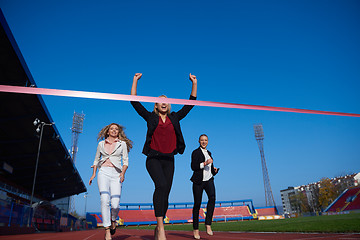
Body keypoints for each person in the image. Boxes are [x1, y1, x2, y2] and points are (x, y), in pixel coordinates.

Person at [130, 73, 197, 240]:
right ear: (156, 105)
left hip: (169, 159)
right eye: (160, 100)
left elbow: (191, 104)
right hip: (153, 158)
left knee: (165, 192)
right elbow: (134, 102)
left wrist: (194, 83)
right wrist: (135, 81)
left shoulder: (175, 117)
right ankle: (161, 228)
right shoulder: (151, 117)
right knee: (160, 185)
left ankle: (158, 226)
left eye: (166, 100)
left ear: (169, 105)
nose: (164, 102)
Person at [89, 123, 132, 240]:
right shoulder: (101, 144)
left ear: (118, 132)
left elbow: (125, 161)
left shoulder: (122, 144)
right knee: (104, 199)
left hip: (116, 174)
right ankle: (107, 230)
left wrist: (123, 173)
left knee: (115, 203)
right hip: (103, 172)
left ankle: (113, 220)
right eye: (112, 129)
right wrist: (93, 174)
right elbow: (96, 159)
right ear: (108, 132)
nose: (114, 130)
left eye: (116, 129)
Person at [190, 134, 219, 239]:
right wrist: (205, 163)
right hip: (198, 181)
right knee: (197, 205)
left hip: (209, 180)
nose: (204, 142)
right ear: (199, 141)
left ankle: (208, 224)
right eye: (202, 140)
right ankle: (196, 230)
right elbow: (193, 167)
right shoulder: (195, 152)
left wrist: (214, 170)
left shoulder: (209, 153)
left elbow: (210, 169)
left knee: (212, 198)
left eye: (205, 140)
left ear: (208, 141)